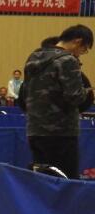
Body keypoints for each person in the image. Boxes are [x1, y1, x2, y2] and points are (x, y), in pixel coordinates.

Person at [20, 25, 94, 179]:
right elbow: (75, 97)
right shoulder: (68, 60)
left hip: (35, 129)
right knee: (66, 180)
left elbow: (24, 94)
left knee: (42, 177)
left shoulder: (34, 56)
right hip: (62, 132)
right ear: (77, 41)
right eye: (84, 49)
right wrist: (87, 91)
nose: (81, 54)